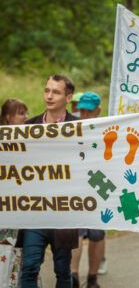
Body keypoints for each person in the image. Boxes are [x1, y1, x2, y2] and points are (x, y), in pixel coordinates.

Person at [17, 74, 79, 288]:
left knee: (63, 270)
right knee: (29, 268)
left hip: (64, 211)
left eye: (56, 92)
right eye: (47, 90)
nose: (49, 96)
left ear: (68, 97)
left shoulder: (80, 128)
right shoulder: (28, 126)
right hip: (34, 211)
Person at [71, 92, 104, 288]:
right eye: (81, 110)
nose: (84, 114)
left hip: (99, 182)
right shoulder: (71, 124)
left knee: (97, 234)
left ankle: (92, 278)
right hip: (76, 181)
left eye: (88, 111)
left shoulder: (107, 125)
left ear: (98, 110)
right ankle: (73, 276)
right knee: (77, 231)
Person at [0, 98, 29, 285]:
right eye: (21, 113)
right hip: (4, 209)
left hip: (19, 208)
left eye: (26, 113)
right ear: (8, 117)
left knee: (16, 253)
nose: (26, 117)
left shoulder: (28, 138)